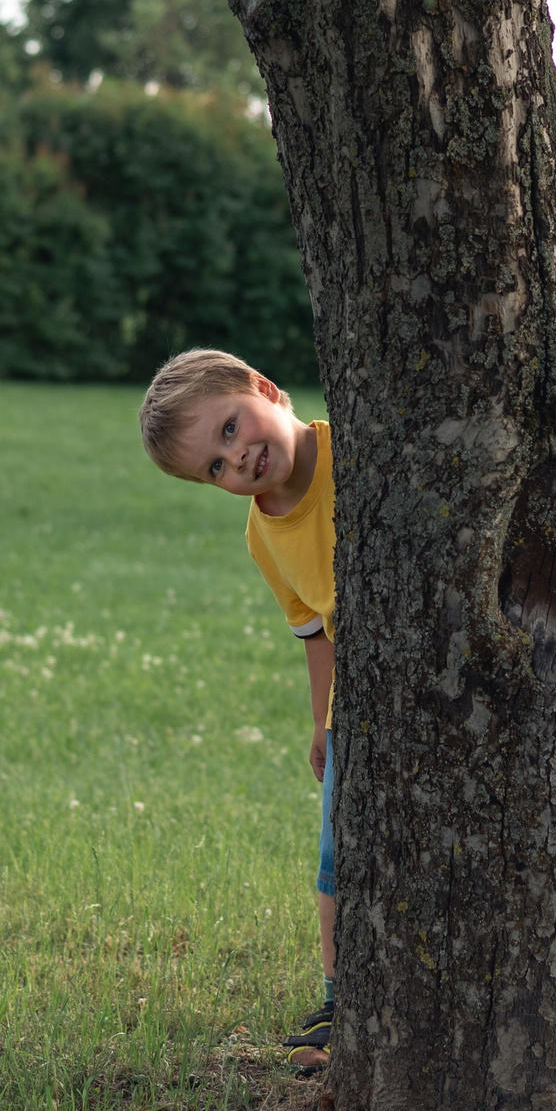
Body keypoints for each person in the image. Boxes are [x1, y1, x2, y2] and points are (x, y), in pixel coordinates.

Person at [139, 349, 339, 1074]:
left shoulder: (355, 449)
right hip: (362, 710)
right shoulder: (262, 533)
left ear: (265, 388)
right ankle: (339, 996)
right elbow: (314, 628)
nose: (236, 459)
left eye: (230, 427)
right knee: (337, 858)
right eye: (213, 468)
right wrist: (321, 720)